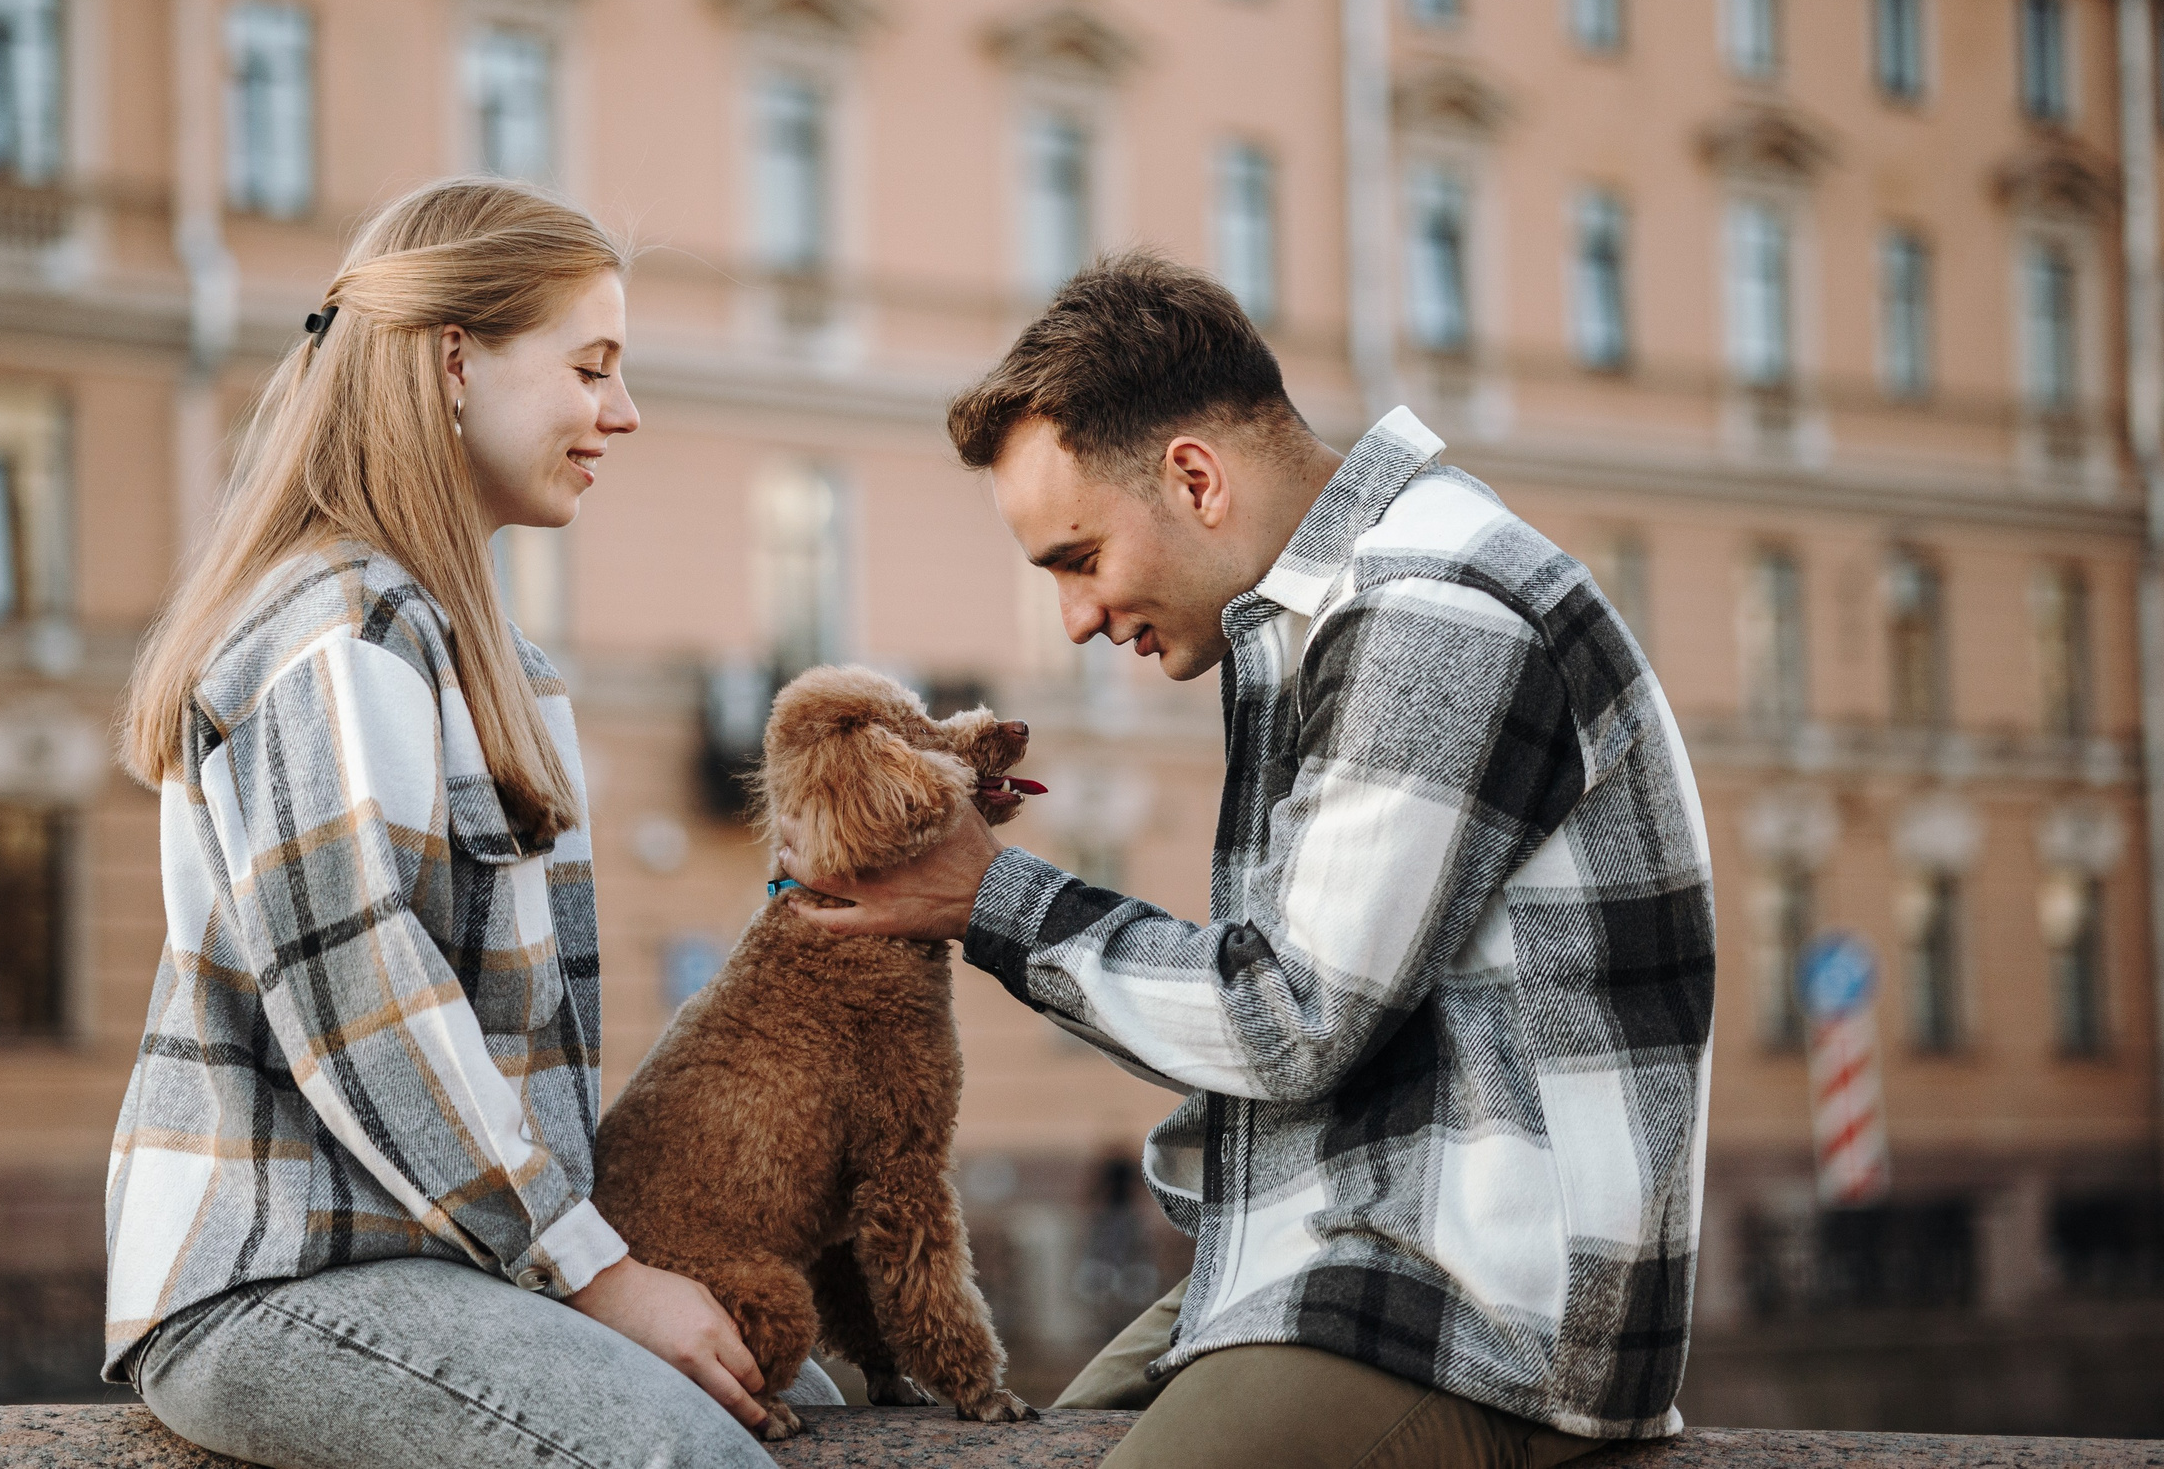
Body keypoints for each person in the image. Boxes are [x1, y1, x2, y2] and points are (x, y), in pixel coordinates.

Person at [779, 254, 1716, 1469]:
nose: (1075, 618)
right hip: (1342, 1247)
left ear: (1192, 477)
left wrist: (986, 898)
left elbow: (1288, 1016)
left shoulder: (1431, 608)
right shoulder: (1326, 613)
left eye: (1076, 558)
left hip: (1485, 1305)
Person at [105, 177, 836, 1469]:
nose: (623, 411)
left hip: (436, 1262)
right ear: (454, 361)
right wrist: (599, 1277)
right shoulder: (339, 630)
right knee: (691, 1452)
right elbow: (362, 1004)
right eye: (591, 366)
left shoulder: (492, 663)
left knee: (808, 1399)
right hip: (280, 1272)